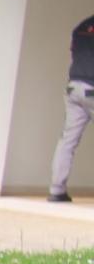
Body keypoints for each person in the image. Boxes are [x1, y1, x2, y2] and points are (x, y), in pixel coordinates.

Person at [47, 13, 94, 202]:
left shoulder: (81, 26)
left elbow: (75, 53)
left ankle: (56, 191)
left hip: (74, 87)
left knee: (67, 141)